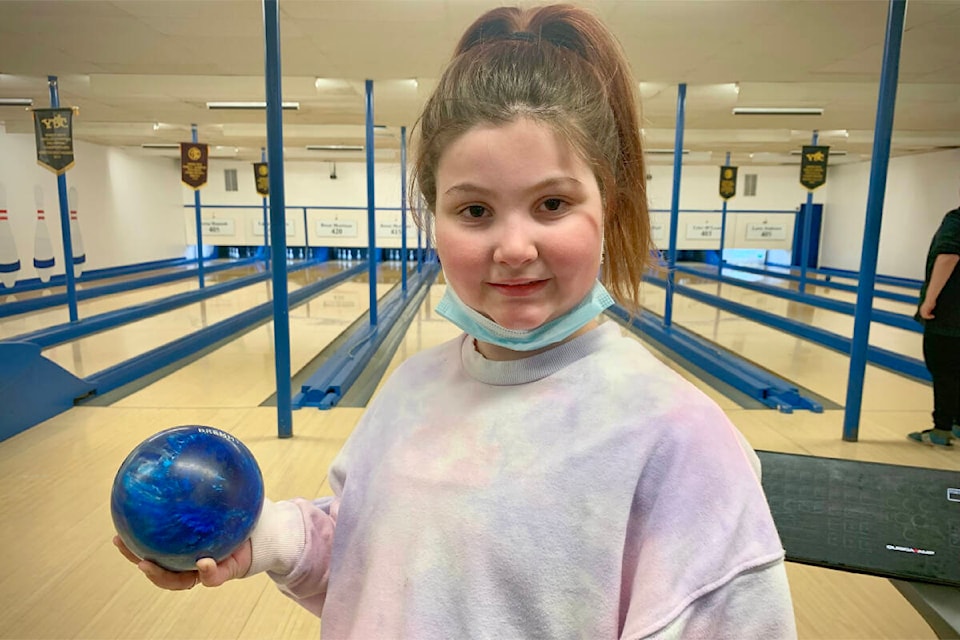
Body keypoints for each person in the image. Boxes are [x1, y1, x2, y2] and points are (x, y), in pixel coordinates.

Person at [115, 5, 797, 637]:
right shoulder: (411, 388)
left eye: (553, 204)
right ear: (434, 218)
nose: (514, 247)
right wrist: (256, 537)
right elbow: (370, 561)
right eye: (474, 211)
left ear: (610, 207)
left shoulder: (681, 443)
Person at [909, 193, 960, 447]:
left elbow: (949, 255)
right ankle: (957, 423)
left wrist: (930, 299)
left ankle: (941, 428)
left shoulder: (957, 219)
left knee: (943, 369)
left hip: (950, 313)